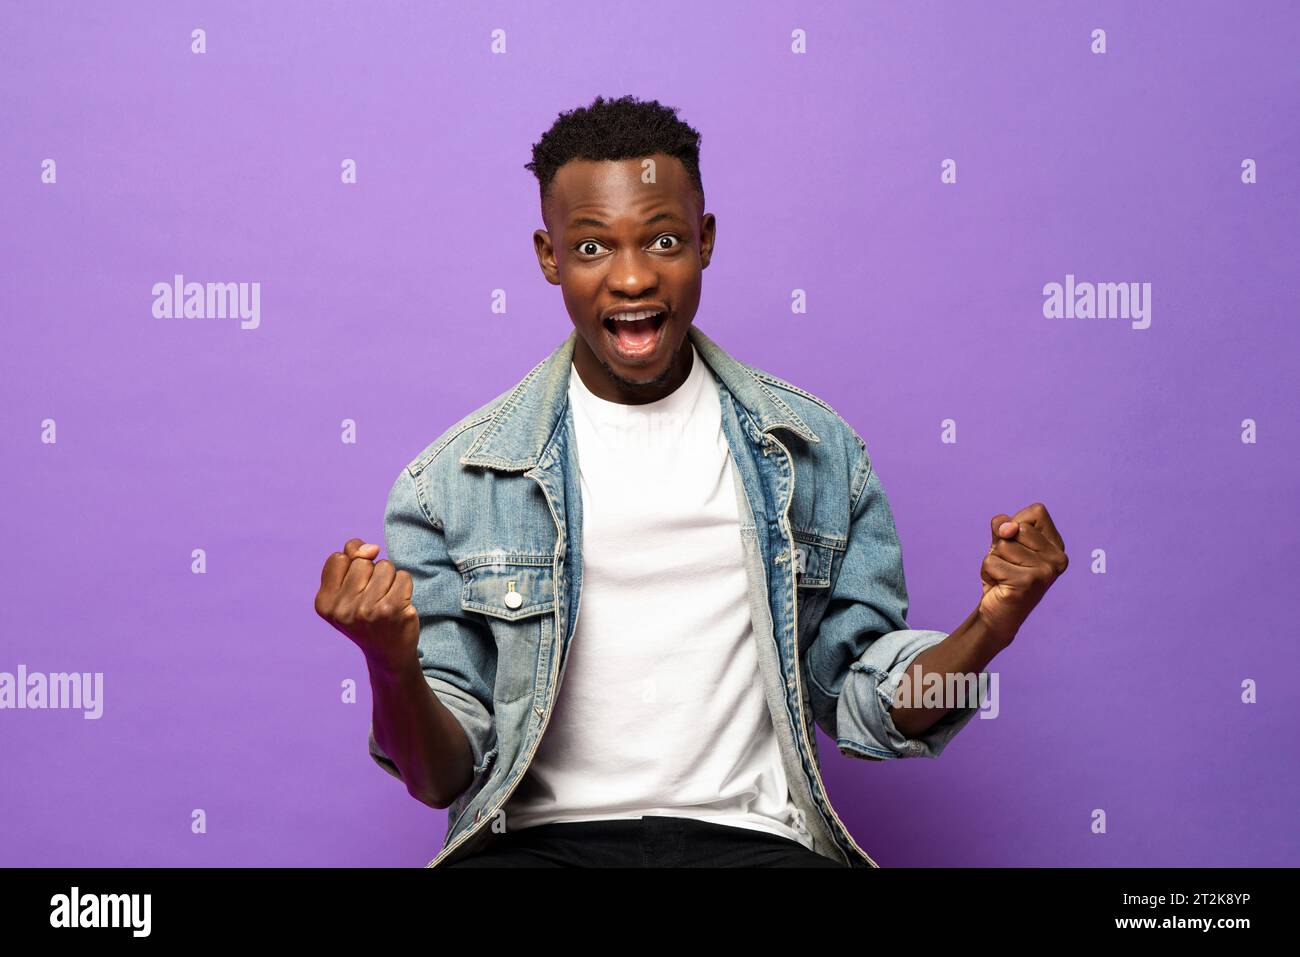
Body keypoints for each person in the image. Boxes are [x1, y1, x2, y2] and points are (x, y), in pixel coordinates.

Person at [313, 94, 1069, 868]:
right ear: (548, 258)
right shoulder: (454, 482)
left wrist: (990, 629)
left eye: (664, 239)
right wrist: (390, 661)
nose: (633, 276)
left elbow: (864, 705)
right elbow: (441, 778)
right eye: (593, 248)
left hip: (755, 844)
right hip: (535, 846)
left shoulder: (815, 452)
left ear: (705, 241)